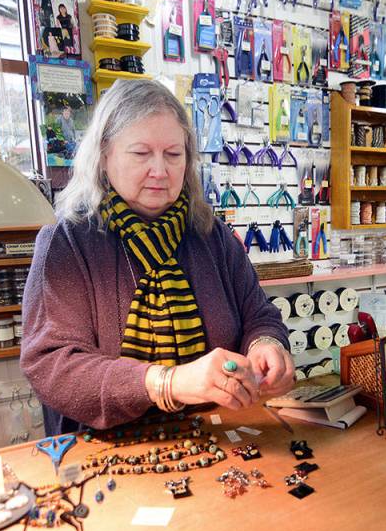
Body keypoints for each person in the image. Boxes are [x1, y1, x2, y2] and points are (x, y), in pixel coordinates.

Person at [21, 79, 294, 434]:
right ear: (104, 155)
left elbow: (258, 313)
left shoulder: (212, 236)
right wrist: (170, 382)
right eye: (140, 153)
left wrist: (267, 344)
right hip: (107, 453)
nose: (160, 171)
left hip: (215, 436)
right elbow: (52, 366)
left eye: (173, 154)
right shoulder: (66, 244)